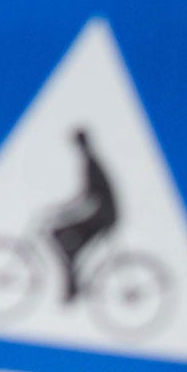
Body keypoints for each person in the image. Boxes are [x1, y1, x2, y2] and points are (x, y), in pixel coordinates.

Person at [47, 127, 117, 303]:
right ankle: (73, 285)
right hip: (101, 215)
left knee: (64, 241)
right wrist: (62, 210)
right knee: (66, 243)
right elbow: (85, 197)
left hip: (102, 217)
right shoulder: (89, 162)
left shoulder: (92, 164)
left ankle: (73, 288)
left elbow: (90, 199)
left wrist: (65, 215)